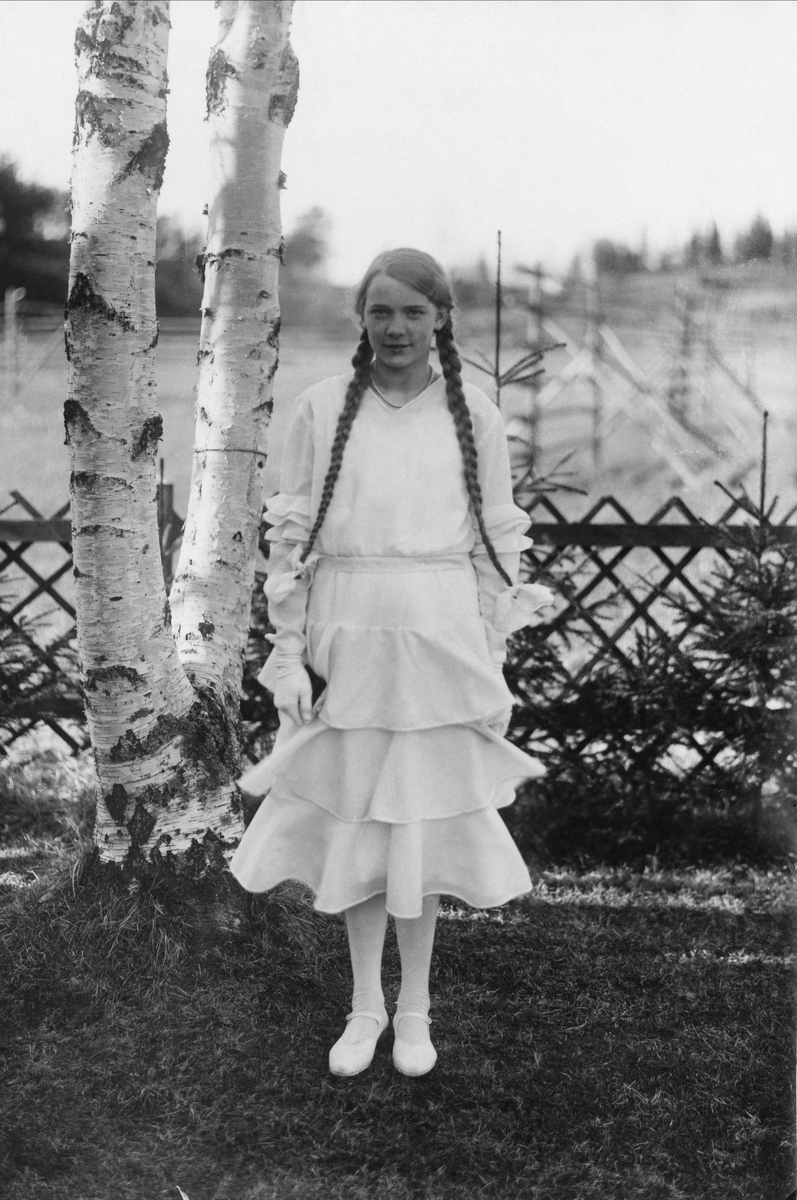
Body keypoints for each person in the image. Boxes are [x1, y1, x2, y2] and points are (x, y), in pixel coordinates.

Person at [231, 248, 552, 1078]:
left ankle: (415, 1009)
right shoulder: (319, 408)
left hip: (438, 636)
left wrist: (488, 656)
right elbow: (291, 543)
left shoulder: (473, 414)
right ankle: (364, 1004)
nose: (397, 327)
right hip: (347, 634)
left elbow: (497, 542)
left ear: (440, 318)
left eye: (413, 311)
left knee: (418, 824)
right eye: (381, 311)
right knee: (360, 823)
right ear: (361, 319)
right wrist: (290, 656)